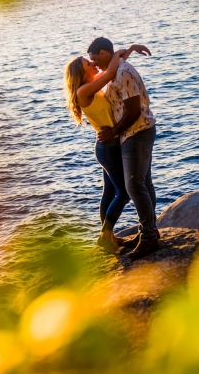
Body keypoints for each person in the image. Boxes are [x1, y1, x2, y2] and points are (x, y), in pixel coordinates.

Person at [88, 37, 158, 259]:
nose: (94, 63)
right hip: (130, 134)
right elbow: (115, 59)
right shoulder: (113, 70)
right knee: (142, 184)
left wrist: (114, 131)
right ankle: (149, 232)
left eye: (94, 58)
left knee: (134, 186)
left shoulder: (123, 73)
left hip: (137, 133)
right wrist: (128, 49)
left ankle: (148, 238)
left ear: (103, 53)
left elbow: (134, 110)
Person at [64, 48, 136, 253]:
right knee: (123, 193)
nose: (93, 64)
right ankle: (105, 237)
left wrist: (125, 54)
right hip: (107, 148)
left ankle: (109, 236)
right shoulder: (83, 91)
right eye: (89, 63)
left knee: (109, 192)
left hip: (108, 145)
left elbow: (113, 71)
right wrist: (119, 52)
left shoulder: (93, 88)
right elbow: (111, 72)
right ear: (81, 73)